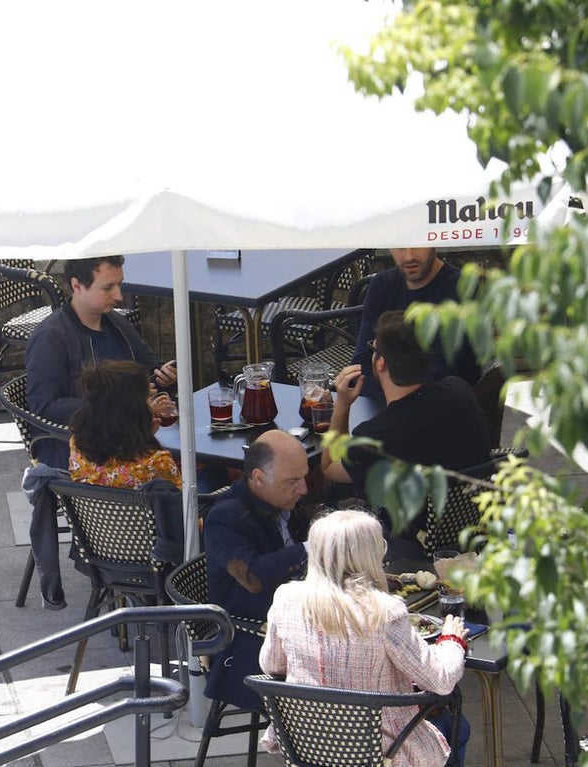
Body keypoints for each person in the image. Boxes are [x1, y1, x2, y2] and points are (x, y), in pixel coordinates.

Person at [23, 255, 176, 609]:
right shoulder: (51, 338)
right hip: (79, 445)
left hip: (130, 433)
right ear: (77, 286)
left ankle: (154, 552)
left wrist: (161, 372)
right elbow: (42, 407)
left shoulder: (117, 326)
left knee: (183, 464)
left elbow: (146, 363)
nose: (119, 296)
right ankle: (155, 557)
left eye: (119, 285)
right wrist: (111, 405)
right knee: (171, 472)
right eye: (108, 287)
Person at [259, 509, 470, 767]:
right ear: (372, 554)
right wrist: (451, 640)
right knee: (458, 726)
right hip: (381, 750)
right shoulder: (385, 611)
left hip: (309, 744)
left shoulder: (286, 598)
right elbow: (441, 680)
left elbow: (270, 666)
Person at [322, 310, 491, 552]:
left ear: (380, 362)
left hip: (412, 545)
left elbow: (329, 468)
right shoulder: (459, 392)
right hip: (476, 527)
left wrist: (342, 404)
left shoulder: (377, 438)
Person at [203, 430, 312, 712]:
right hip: (251, 638)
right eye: (293, 481)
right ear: (258, 477)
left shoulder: (282, 500)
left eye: (303, 477)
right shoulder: (226, 517)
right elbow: (252, 577)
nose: (303, 489)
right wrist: (311, 548)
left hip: (297, 616)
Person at [352, 247, 481, 401]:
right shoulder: (382, 284)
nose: (408, 257)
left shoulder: (461, 288)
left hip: (445, 405)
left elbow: (445, 371)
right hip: (385, 404)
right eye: (400, 246)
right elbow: (362, 361)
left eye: (417, 245)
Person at [68, 360, 181, 489]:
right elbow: (184, 503)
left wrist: (144, 427)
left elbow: (114, 463)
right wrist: (148, 437)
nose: (150, 403)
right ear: (135, 410)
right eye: (148, 398)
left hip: (97, 507)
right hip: (148, 509)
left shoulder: (76, 445)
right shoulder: (157, 462)